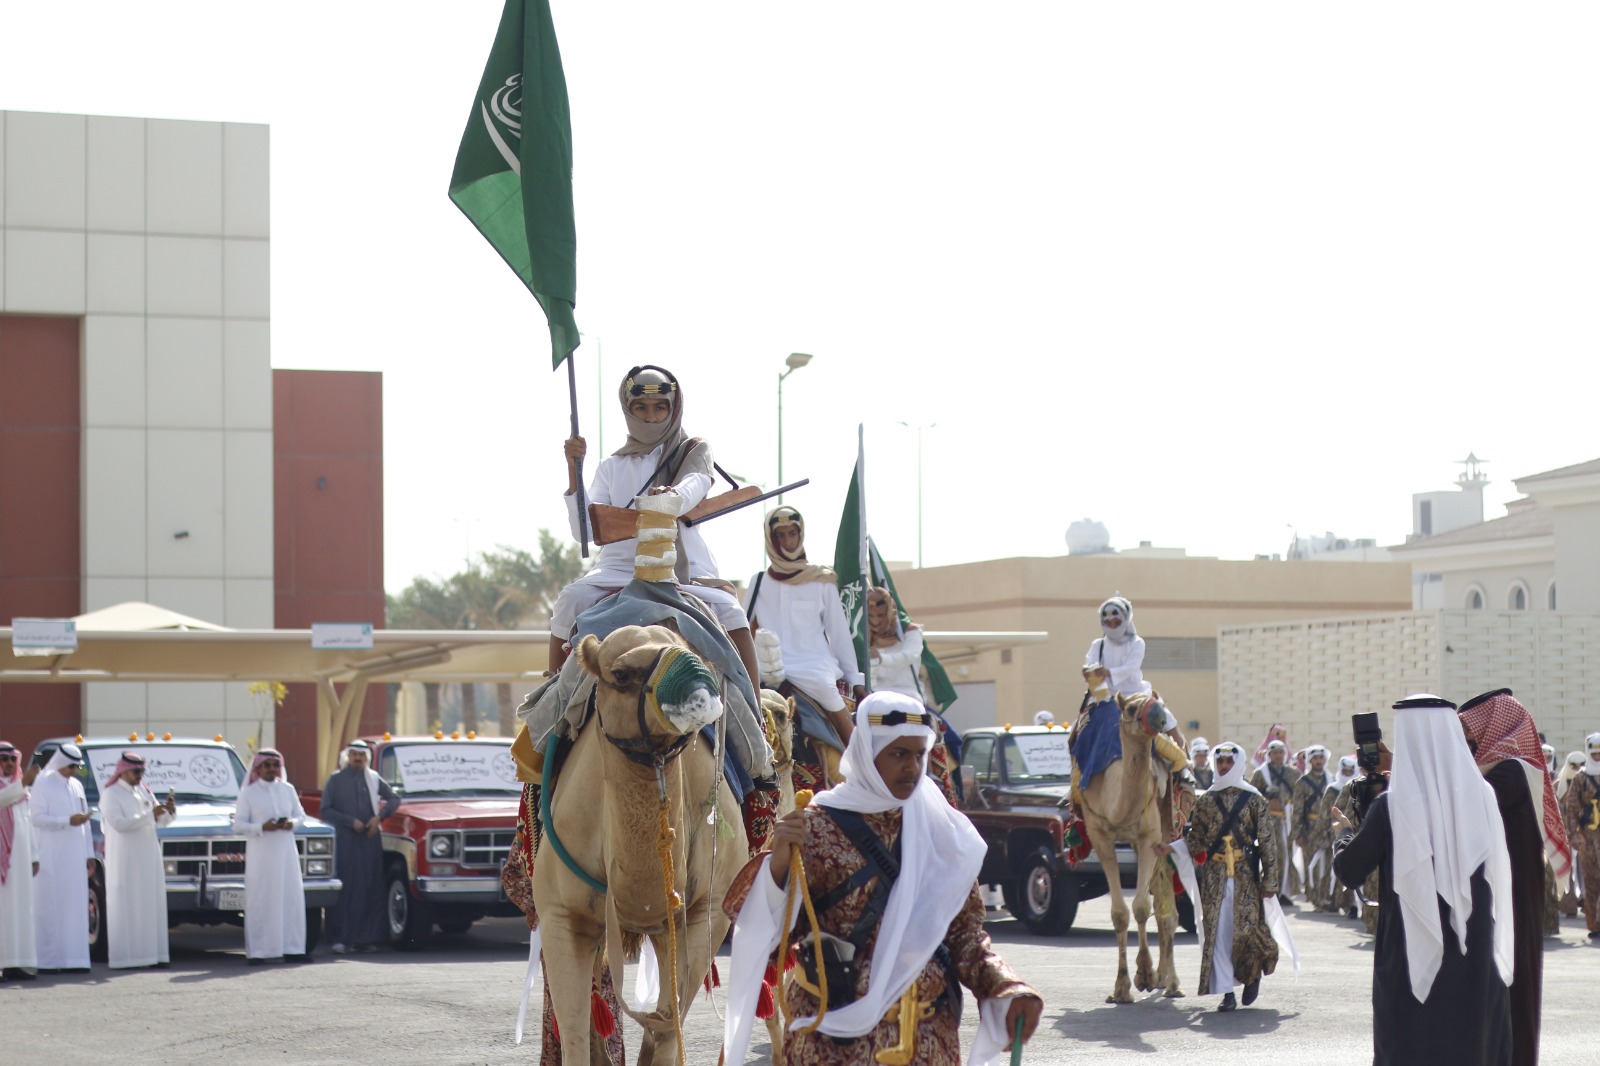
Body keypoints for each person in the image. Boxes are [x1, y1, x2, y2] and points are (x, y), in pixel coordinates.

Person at [722, 692, 1043, 1064]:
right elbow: (768, 941)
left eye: (919, 755)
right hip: (833, 1048)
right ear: (867, 755)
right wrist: (776, 867)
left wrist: (1006, 985)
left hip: (928, 1044)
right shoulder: (815, 827)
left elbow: (965, 937)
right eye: (898, 754)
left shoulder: (944, 833)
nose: (912, 767)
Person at [1330, 695, 1515, 1066]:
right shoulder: (1483, 796)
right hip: (1476, 959)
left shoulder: (1391, 808)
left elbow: (1350, 871)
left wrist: (1344, 834)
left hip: (1409, 963)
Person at [554, 365, 760, 685]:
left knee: (731, 611)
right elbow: (585, 532)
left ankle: (754, 714)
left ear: (672, 408)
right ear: (628, 409)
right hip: (618, 570)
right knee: (570, 599)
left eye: (659, 407)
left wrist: (670, 497)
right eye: (642, 408)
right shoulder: (611, 466)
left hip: (681, 571)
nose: (651, 417)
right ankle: (549, 702)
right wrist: (573, 470)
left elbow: (695, 484)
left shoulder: (693, 450)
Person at [1458, 688, 1570, 1066]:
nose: (1467, 738)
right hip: (1499, 895)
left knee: (1513, 985)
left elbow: (1468, 800)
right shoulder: (1494, 771)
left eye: (1470, 730)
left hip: (1513, 897)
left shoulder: (1511, 773)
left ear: (1493, 727)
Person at [745, 507, 865, 749]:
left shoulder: (822, 580)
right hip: (770, 668)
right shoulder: (759, 582)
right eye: (780, 535)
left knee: (827, 694)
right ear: (771, 539)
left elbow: (839, 634)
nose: (788, 541)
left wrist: (856, 680)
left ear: (801, 536)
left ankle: (860, 761)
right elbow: (744, 629)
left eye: (792, 534)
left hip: (814, 667)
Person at [1178, 741, 1284, 1011]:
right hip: (1214, 878)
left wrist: (1270, 880)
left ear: (1237, 764)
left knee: (1247, 933)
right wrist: (1170, 847)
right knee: (1219, 935)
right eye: (1220, 762)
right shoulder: (1206, 801)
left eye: (1228, 762)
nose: (1223, 767)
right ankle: (1227, 993)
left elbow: (1268, 843)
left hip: (1245, 876)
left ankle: (1252, 974)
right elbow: (1197, 840)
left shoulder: (1254, 799)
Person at [319, 740, 400, 954]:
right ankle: (340, 938)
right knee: (345, 889)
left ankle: (366, 938)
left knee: (369, 887)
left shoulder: (373, 778)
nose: (358, 758)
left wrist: (378, 818)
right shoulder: (336, 780)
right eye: (354, 754)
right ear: (348, 756)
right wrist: (350, 821)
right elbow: (325, 810)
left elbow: (394, 799)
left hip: (370, 840)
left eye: (361, 755)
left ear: (367, 758)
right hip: (346, 840)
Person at [234, 749, 310, 964]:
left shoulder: (288, 789)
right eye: (266, 765)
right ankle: (259, 952)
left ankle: (293, 948)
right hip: (262, 856)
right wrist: (262, 826)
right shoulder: (249, 793)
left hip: (286, 853)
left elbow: (300, 815)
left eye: (275, 765)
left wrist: (292, 824)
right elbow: (238, 825)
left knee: (290, 899)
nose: (271, 769)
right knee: (262, 901)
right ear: (257, 768)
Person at [100, 751, 175, 969]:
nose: (139, 775)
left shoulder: (143, 791)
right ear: (123, 771)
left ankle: (152, 956)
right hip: (126, 860)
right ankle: (127, 958)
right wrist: (150, 815)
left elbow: (160, 822)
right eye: (136, 771)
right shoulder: (111, 794)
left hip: (147, 857)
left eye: (142, 771)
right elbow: (120, 824)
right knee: (128, 904)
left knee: (149, 904)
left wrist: (168, 811)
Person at [31, 744, 94, 974]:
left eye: (77, 766)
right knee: (49, 905)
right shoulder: (42, 783)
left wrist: (89, 854)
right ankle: (48, 961)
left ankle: (74, 959)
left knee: (75, 905)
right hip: (51, 855)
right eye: (71, 766)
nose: (74, 770)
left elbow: (85, 821)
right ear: (60, 762)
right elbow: (36, 818)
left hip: (75, 856)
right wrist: (66, 820)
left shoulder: (76, 785)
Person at [0, 741, 40, 981]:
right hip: (3, 862)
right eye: (3, 760)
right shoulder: (18, 788)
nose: (8, 764)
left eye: (12, 760)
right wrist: (23, 783)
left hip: (22, 860)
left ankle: (17, 962)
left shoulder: (22, 791)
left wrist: (34, 856)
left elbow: (29, 825)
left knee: (21, 910)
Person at [1558, 733, 1600, 939]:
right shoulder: (1580, 779)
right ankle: (1595, 925)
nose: (1597, 757)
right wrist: (1574, 835)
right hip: (1588, 838)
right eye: (1594, 753)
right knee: (1591, 883)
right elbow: (1572, 809)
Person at [1250, 738, 1301, 907]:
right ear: (1269, 755)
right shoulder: (1260, 773)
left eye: (1280, 752)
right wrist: (1267, 801)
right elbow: (1252, 795)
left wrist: (1288, 803)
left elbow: (1300, 796)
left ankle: (1285, 892)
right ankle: (1270, 889)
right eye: (1274, 753)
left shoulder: (1293, 773)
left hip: (1286, 820)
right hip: (1267, 820)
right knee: (1269, 854)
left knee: (1285, 855)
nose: (1278, 756)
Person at [1292, 745, 1337, 910]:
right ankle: (1316, 898)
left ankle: (1327, 897)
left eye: (1321, 758)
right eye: (1315, 758)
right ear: (1310, 761)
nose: (1318, 761)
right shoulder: (1302, 782)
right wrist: (1298, 833)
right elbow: (1297, 810)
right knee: (1312, 863)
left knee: (1329, 863)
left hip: (1330, 828)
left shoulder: (1332, 780)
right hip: (1310, 828)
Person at [1083, 595, 1149, 699]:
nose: (1112, 626)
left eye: (1116, 622)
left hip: (1133, 696)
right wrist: (1089, 672)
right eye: (1108, 623)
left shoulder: (1136, 643)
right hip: (1104, 698)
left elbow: (1131, 667)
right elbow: (1090, 664)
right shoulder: (1098, 645)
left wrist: (1108, 673)